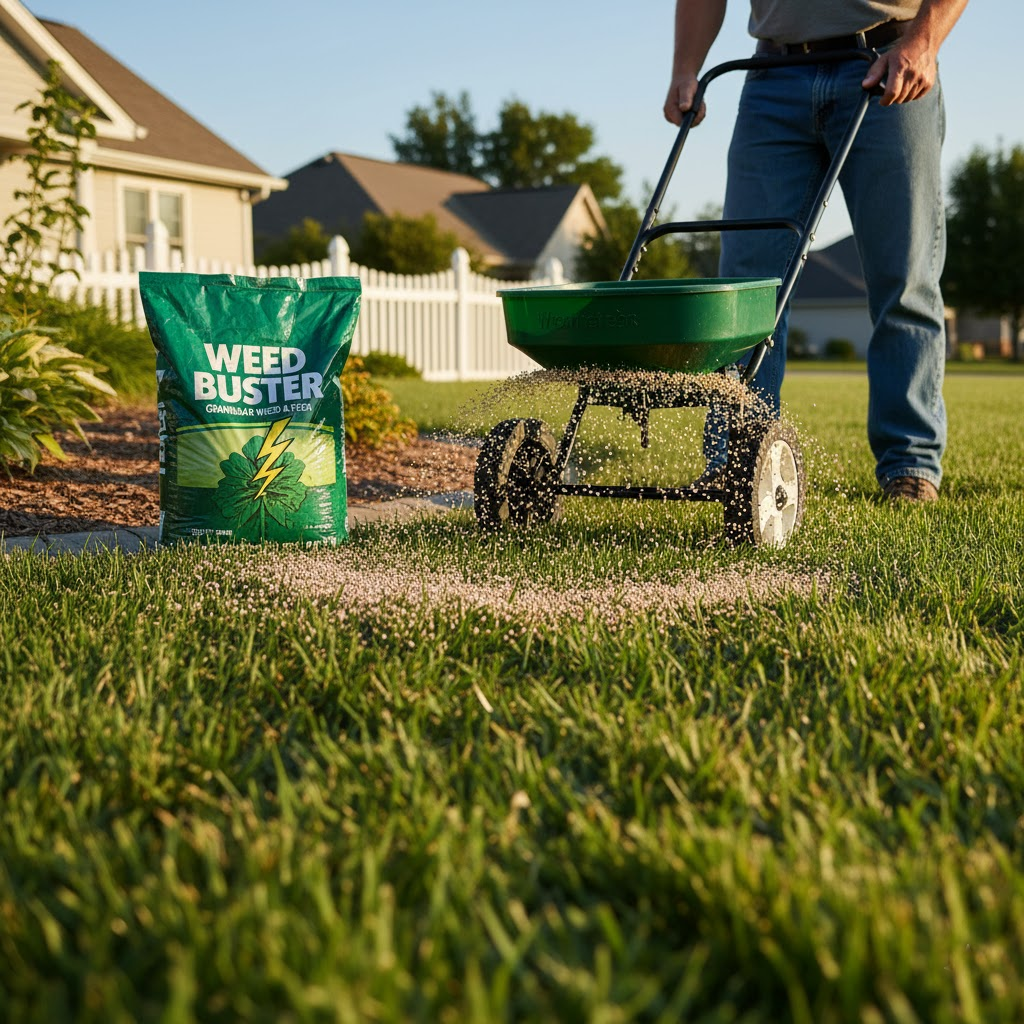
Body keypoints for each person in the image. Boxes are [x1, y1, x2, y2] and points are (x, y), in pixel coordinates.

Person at [664, 0, 969, 502]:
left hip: (889, 62)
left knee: (904, 275)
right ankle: (739, 460)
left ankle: (909, 465)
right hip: (771, 76)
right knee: (746, 290)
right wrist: (684, 70)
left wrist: (924, 40)